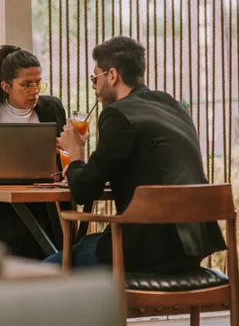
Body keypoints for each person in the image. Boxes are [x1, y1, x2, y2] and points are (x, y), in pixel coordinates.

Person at [45, 36, 226, 270]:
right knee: (87, 243)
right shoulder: (174, 106)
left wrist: (76, 151)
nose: (94, 87)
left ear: (112, 75)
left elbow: (84, 190)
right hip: (191, 247)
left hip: (146, 250)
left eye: (94, 78)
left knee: (45, 269)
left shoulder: (118, 115)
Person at [0, 45, 66, 258]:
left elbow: (63, 163)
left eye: (37, 83)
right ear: (6, 86)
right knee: (9, 233)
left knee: (40, 232)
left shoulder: (52, 108)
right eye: (26, 85)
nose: (34, 91)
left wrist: (68, 148)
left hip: (45, 200)